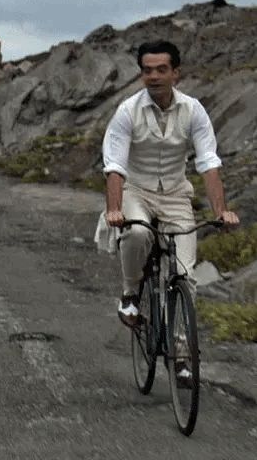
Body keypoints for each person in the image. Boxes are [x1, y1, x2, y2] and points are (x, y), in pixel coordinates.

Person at [101, 40, 239, 328]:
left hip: (176, 195)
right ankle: (130, 292)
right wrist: (114, 209)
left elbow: (208, 162)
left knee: (185, 276)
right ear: (142, 74)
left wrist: (221, 211)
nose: (154, 76)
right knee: (137, 232)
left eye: (161, 69)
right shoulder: (127, 111)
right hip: (136, 191)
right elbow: (115, 165)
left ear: (176, 73)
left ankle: (181, 347)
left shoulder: (193, 110)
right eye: (147, 70)